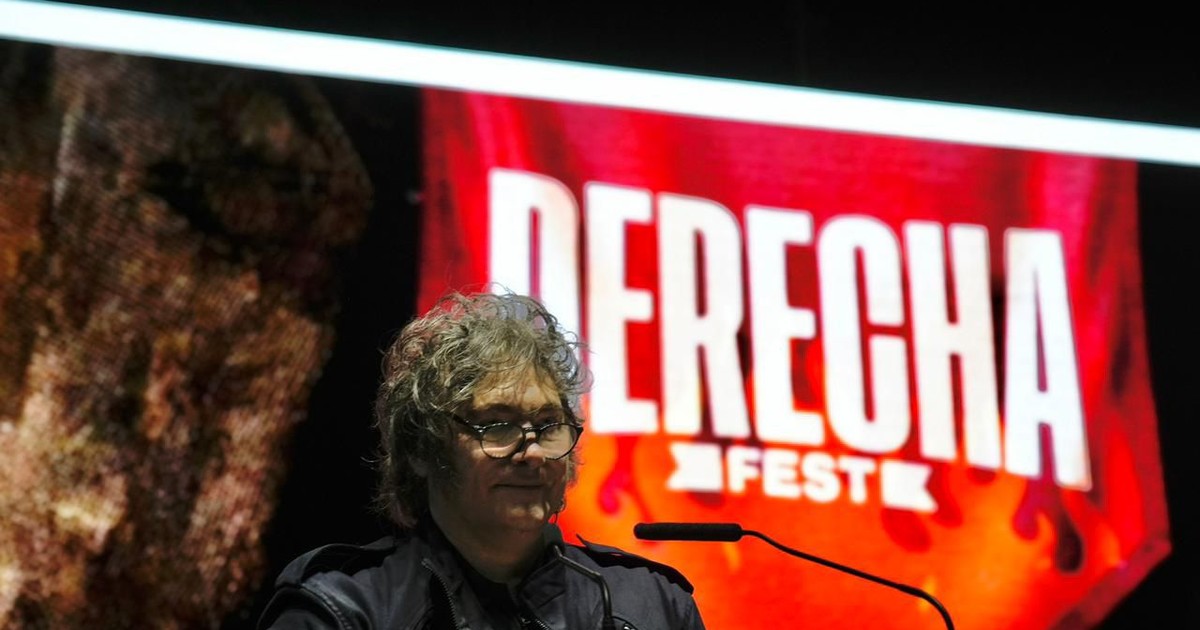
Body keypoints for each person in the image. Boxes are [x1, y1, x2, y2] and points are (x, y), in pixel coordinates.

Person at [259, 291, 705, 629]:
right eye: (497, 425)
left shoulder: (653, 606)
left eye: (548, 425)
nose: (532, 452)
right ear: (422, 449)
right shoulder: (342, 608)